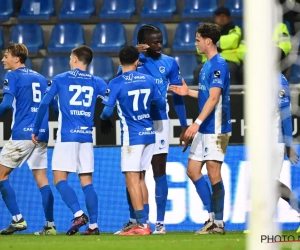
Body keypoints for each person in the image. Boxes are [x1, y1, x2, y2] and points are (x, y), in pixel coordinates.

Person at [114, 24, 189, 235]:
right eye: (154, 41)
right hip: (137, 123)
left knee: (159, 172)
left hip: (160, 123)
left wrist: (183, 126)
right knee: (135, 174)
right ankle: (138, 220)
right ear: (142, 43)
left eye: (160, 40)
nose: (159, 45)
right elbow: (119, 82)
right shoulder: (133, 63)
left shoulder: (169, 63)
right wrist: (134, 53)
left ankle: (160, 223)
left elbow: (178, 96)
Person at [31, 45, 108, 235]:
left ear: (74, 59)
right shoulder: (97, 81)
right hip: (86, 136)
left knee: (59, 179)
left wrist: (35, 129)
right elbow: (110, 99)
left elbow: (44, 103)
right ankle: (94, 226)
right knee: (87, 182)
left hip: (67, 136)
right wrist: (106, 118)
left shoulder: (60, 78)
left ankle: (78, 213)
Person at [170, 22, 231, 235]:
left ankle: (219, 223)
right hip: (205, 127)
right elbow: (207, 94)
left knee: (213, 173)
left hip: (216, 128)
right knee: (193, 170)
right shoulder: (206, 65)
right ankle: (212, 217)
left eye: (198, 39)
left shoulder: (219, 65)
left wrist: (195, 123)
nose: (195, 43)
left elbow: (214, 98)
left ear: (208, 40)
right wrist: (189, 93)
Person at [100, 45, 166, 236]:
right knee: (140, 179)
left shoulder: (116, 82)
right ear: (137, 61)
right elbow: (161, 104)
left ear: (119, 62)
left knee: (131, 179)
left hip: (132, 135)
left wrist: (104, 119)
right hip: (149, 134)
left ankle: (142, 225)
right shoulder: (149, 79)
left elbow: (106, 112)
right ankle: (144, 223)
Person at [0, 43, 58, 235]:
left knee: (1, 175)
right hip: (41, 134)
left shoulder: (12, 76)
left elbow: (7, 105)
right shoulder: (41, 78)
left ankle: (18, 219)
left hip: (22, 134)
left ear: (17, 58)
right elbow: (54, 107)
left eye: (6, 55)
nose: (3, 59)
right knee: (42, 180)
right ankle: (50, 225)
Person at [244, 73, 300, 233]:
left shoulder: (278, 81)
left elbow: (286, 116)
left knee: (272, 182)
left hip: (275, 139)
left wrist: (289, 145)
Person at [193, 7, 242, 85]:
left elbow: (232, 41)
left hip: (229, 61)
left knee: (230, 69)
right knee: (198, 70)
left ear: (229, 18)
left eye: (224, 16)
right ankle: (201, 96)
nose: (221, 18)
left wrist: (211, 43)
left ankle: (233, 96)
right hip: (209, 61)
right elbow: (200, 45)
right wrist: (224, 45)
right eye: (219, 16)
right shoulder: (206, 29)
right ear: (215, 17)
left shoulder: (235, 29)